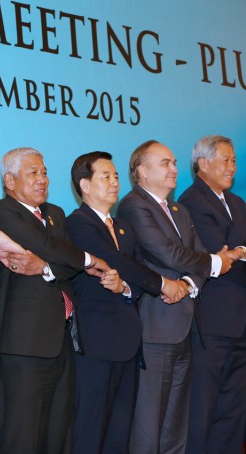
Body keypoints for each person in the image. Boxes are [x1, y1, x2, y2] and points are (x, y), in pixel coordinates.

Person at [0, 146, 118, 454]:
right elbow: (44, 244)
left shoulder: (56, 214)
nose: (42, 179)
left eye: (44, 172)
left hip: (63, 341)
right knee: (23, 437)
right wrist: (83, 259)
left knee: (59, 435)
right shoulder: (0, 211)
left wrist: (44, 266)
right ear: (10, 181)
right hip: (23, 346)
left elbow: (63, 260)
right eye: (33, 173)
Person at [116, 140, 235, 454]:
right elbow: (166, 252)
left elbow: (193, 254)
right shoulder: (133, 204)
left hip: (185, 326)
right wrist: (213, 263)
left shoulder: (179, 209)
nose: (174, 169)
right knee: (148, 423)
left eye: (174, 163)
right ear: (141, 171)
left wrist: (187, 284)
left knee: (175, 423)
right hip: (155, 328)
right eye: (165, 163)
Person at [67, 151, 186, 453]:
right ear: (85, 184)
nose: (114, 182)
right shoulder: (78, 224)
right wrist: (161, 284)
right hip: (95, 343)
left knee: (120, 432)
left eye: (116, 176)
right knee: (90, 429)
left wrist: (124, 288)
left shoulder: (123, 227)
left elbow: (130, 273)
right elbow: (114, 260)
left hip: (128, 342)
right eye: (105, 176)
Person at [178, 135, 246, 453]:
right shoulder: (192, 201)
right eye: (226, 160)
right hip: (211, 323)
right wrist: (231, 254)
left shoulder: (237, 203)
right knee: (203, 409)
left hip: (240, 322)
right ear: (203, 164)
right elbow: (216, 258)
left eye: (234, 161)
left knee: (233, 411)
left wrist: (235, 251)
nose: (233, 167)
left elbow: (230, 252)